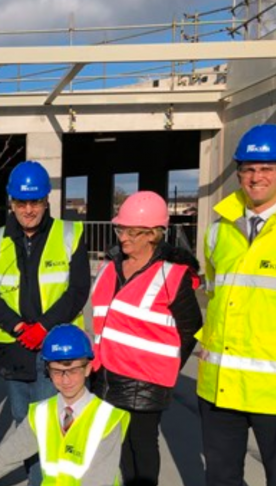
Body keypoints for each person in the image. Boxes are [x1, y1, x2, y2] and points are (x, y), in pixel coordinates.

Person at [0, 160, 90, 485]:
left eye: (35, 202)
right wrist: (16, 326)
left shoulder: (69, 234)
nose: (28, 210)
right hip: (15, 349)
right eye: (21, 202)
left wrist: (43, 327)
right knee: (24, 426)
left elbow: (78, 290)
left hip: (56, 349)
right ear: (12, 203)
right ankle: (35, 479)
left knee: (55, 425)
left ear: (46, 201)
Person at [90, 191, 202, 486]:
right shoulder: (110, 266)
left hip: (146, 380)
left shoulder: (171, 275)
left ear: (153, 234)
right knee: (120, 447)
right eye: (120, 229)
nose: (123, 237)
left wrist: (166, 366)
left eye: (131, 232)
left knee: (142, 446)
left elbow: (191, 327)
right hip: (106, 373)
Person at [0, 324, 130, 486]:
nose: (65, 380)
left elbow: (98, 481)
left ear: (88, 368)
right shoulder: (42, 414)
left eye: (72, 370)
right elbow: (1, 459)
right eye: (57, 371)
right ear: (47, 371)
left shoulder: (107, 420)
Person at [198, 124, 276, 486]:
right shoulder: (218, 229)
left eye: (267, 168)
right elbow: (215, 297)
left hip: (271, 391)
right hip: (221, 386)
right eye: (248, 169)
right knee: (221, 479)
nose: (256, 177)